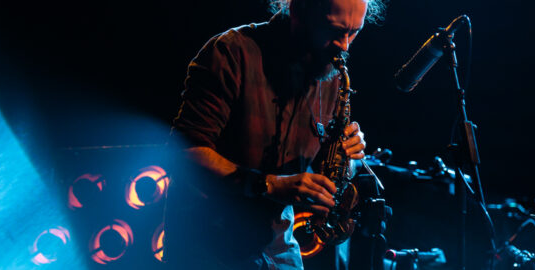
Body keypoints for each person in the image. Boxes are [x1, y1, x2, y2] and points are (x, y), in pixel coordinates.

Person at [164, 0, 386, 268]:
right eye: (333, 30)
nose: (345, 45)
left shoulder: (331, 74)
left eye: (354, 31)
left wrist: (347, 153)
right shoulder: (232, 51)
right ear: (298, 11)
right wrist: (267, 185)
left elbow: (321, 168)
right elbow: (183, 153)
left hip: (279, 243)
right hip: (209, 242)